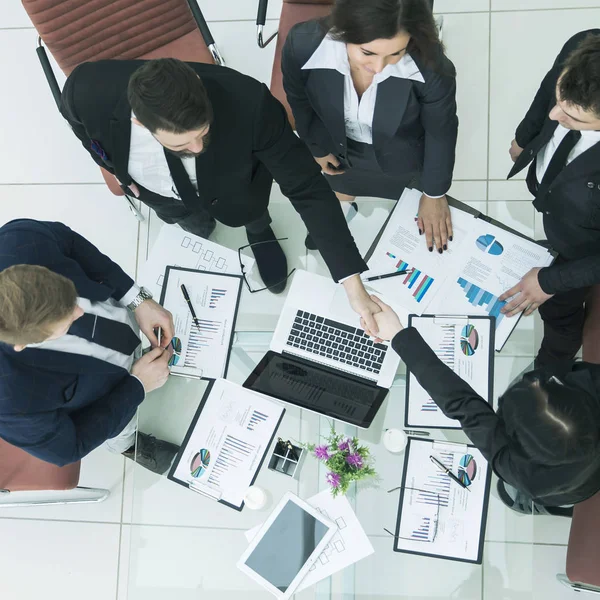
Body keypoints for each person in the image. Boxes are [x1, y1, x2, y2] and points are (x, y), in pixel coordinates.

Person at [60, 59, 380, 332]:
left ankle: (260, 232)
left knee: (250, 211)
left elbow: (307, 187)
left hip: (235, 187)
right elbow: (78, 122)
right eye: (182, 145)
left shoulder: (250, 102)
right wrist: (110, 165)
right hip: (158, 192)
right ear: (140, 122)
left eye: (203, 133)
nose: (198, 149)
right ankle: (200, 227)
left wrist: (352, 285)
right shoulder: (85, 90)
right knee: (191, 224)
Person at [362, 296, 600, 516]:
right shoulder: (591, 383)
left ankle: (542, 507)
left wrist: (398, 336)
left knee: (556, 493)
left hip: (576, 487)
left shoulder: (526, 476)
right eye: (540, 385)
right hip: (583, 467)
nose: (531, 380)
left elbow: (464, 406)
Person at [0, 219, 179, 474]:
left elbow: (69, 242)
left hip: (130, 328)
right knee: (121, 430)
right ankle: (129, 446)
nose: (81, 310)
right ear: (23, 344)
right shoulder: (11, 403)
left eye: (71, 296)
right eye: (66, 322)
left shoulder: (16, 241)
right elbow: (71, 447)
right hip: (111, 397)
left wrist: (136, 299)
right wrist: (137, 386)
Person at [281, 0, 458, 253]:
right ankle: (339, 211)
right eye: (368, 53)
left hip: (402, 153)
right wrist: (316, 147)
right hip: (338, 146)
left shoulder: (432, 68)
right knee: (338, 188)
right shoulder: (302, 44)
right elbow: (299, 98)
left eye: (396, 53)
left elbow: (441, 133)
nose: (379, 68)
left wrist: (434, 194)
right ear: (344, 31)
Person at [501, 30, 600, 371]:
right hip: (564, 210)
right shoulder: (584, 46)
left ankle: (552, 369)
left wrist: (550, 282)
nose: (555, 117)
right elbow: (547, 92)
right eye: (561, 103)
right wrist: (525, 136)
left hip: (586, 246)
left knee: (561, 308)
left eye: (574, 118)